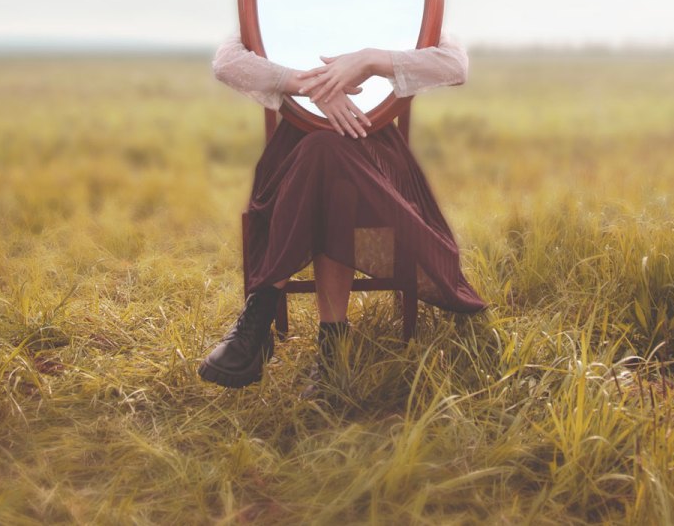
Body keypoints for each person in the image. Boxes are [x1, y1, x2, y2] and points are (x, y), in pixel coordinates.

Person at [197, 33, 488, 392]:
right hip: (294, 155)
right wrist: (312, 84)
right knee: (323, 157)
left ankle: (259, 317)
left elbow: (455, 65)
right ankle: (333, 348)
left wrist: (368, 60)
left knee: (327, 159)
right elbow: (226, 63)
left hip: (374, 152)